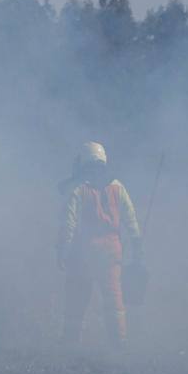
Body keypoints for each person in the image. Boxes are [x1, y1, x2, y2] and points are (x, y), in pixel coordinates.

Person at [57, 141, 142, 346]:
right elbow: (130, 219)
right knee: (114, 300)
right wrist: (137, 246)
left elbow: (68, 223)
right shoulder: (117, 187)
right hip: (112, 250)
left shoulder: (78, 188)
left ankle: (70, 343)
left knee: (76, 297)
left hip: (84, 251)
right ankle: (118, 343)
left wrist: (63, 249)